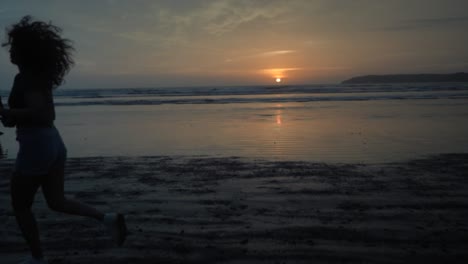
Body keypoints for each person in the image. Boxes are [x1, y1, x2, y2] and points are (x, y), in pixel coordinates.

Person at [0, 16, 127, 264]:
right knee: (56, 200)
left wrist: (9, 113)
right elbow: (37, 114)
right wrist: (10, 117)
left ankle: (37, 259)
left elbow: (41, 113)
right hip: (52, 142)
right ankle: (108, 219)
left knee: (21, 205)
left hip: (37, 145)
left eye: (14, 46)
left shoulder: (26, 78)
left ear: (25, 50)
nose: (10, 50)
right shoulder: (33, 77)